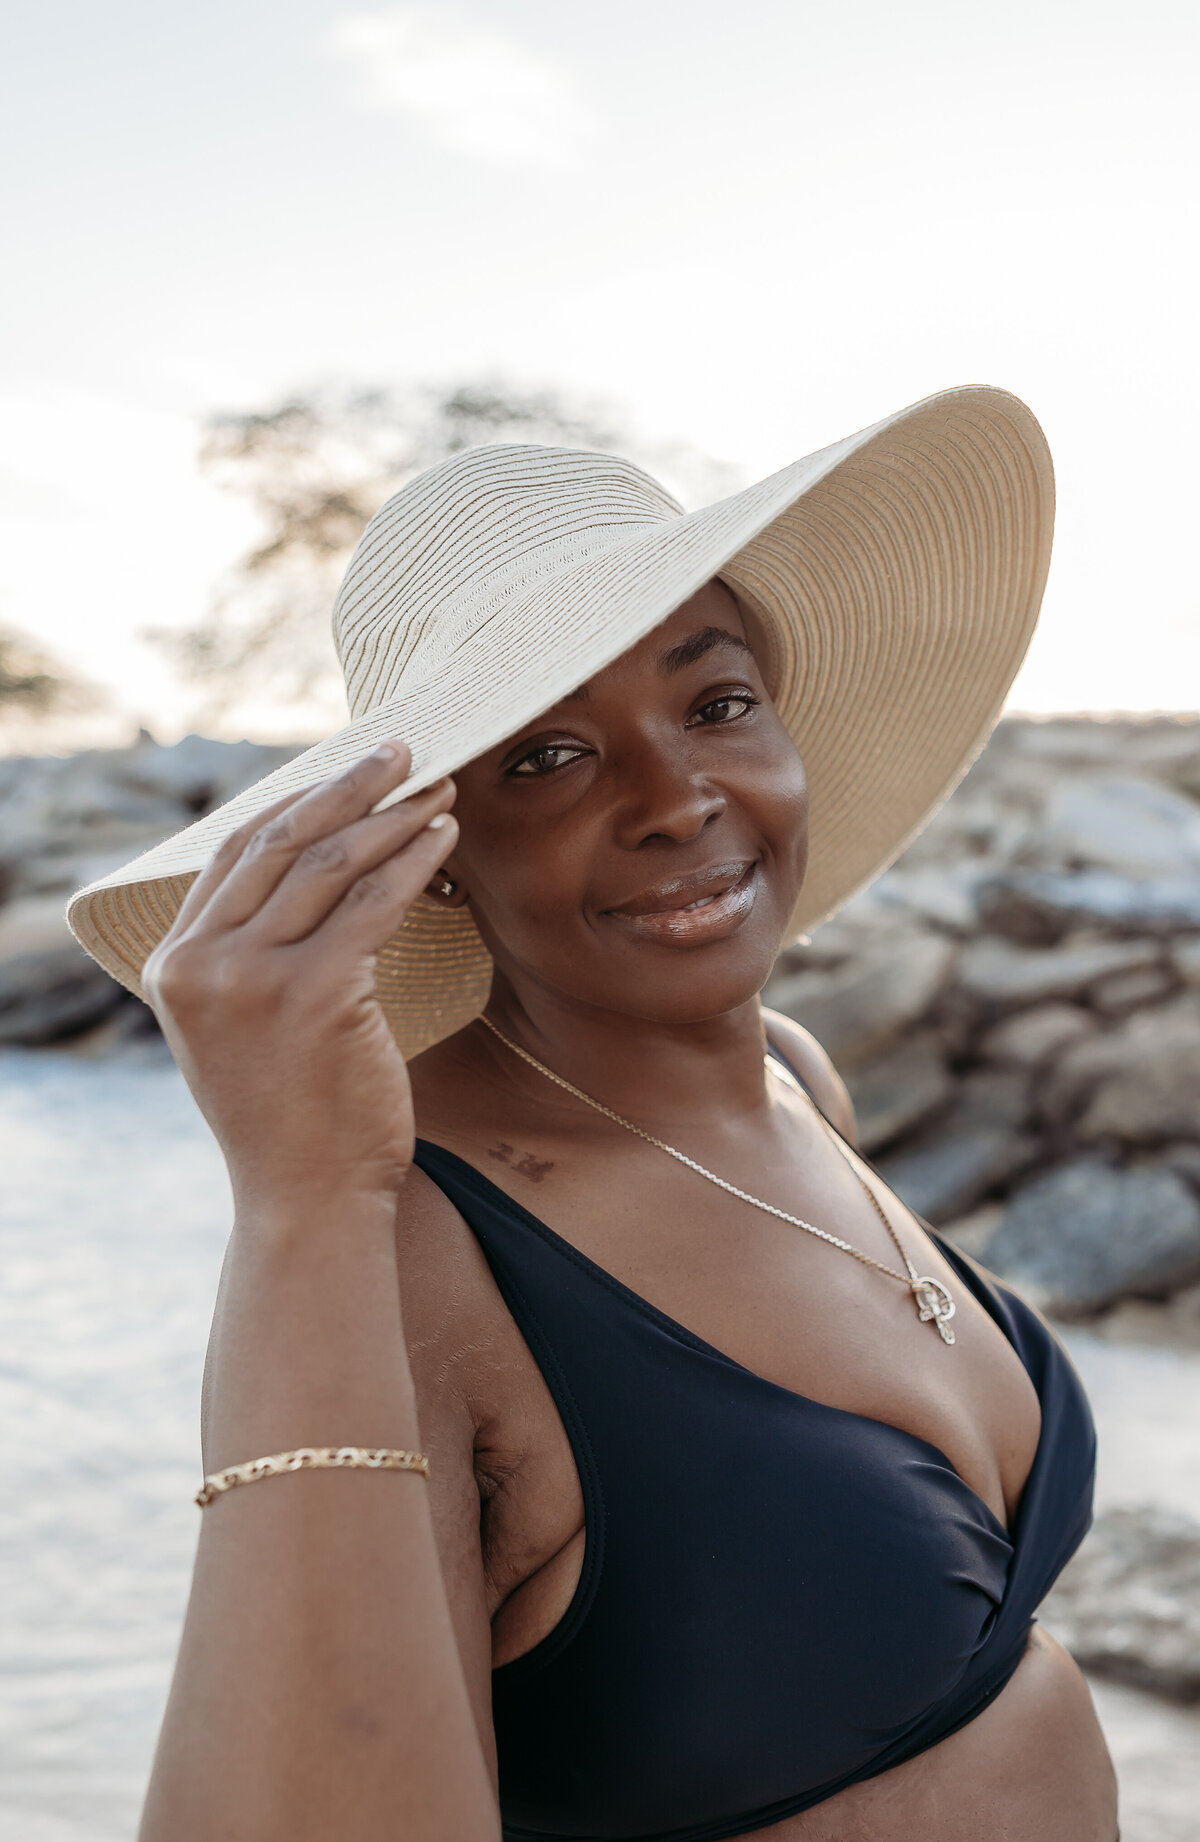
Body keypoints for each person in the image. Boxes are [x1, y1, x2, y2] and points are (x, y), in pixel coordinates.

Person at [69, 387, 1118, 1842]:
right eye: (545, 756)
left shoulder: (796, 1083)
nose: (677, 798)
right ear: (428, 853)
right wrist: (297, 1202)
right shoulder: (408, 1234)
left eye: (716, 701)